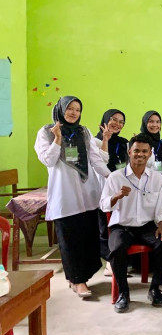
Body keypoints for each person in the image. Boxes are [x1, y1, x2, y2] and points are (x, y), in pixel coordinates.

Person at [35, 96, 111, 297]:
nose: (74, 113)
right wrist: (57, 139)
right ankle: (78, 281)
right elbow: (48, 160)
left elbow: (95, 159)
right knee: (70, 240)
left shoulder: (83, 131)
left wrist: (112, 177)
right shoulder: (46, 132)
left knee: (87, 238)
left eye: (77, 109)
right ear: (60, 109)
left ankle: (76, 278)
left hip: (87, 194)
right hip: (65, 195)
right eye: (69, 108)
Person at [99, 134, 162, 313]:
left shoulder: (156, 178)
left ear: (150, 154)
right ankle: (123, 292)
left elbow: (161, 206)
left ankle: (155, 289)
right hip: (122, 225)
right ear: (129, 152)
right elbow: (103, 205)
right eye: (136, 150)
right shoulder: (115, 177)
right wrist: (116, 196)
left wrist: (161, 225)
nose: (140, 154)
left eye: (144, 151)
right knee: (117, 248)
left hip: (147, 226)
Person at [92, 109, 128, 274]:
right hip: (103, 187)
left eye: (121, 122)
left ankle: (119, 259)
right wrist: (105, 139)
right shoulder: (94, 142)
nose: (117, 124)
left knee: (118, 225)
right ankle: (109, 262)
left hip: (121, 189)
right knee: (104, 226)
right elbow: (100, 163)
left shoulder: (124, 142)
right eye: (114, 119)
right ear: (105, 120)